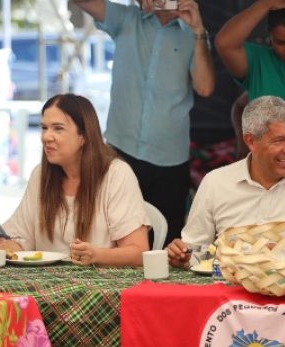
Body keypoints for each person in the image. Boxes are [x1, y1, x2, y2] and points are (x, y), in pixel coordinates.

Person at [72, 0, 215, 248]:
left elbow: (205, 87)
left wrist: (199, 28)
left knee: (167, 248)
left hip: (170, 158)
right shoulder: (127, 17)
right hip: (120, 151)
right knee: (112, 239)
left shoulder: (194, 33)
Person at [166, 96, 285, 268]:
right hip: (229, 292)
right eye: (279, 140)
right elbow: (196, 250)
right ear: (251, 141)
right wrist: (183, 256)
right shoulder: (216, 183)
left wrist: (284, 260)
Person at [0, 94, 150, 267]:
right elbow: (22, 241)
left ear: (83, 136)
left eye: (58, 128)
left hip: (102, 286)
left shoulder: (116, 174)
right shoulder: (40, 175)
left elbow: (138, 252)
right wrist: (0, 245)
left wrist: (96, 255)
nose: (46, 137)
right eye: (44, 128)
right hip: (44, 286)